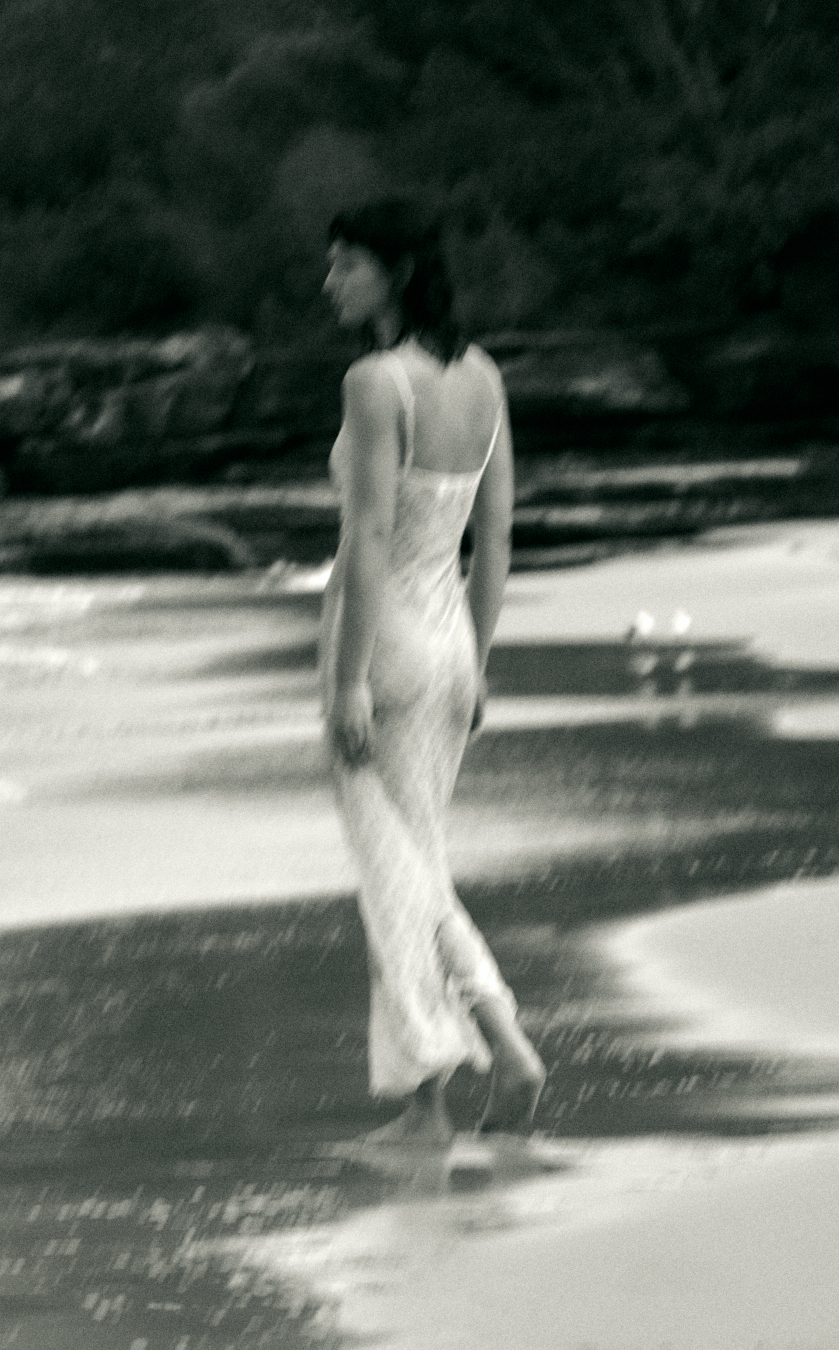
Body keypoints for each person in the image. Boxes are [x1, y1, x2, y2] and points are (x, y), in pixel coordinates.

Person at [319, 199, 545, 1148]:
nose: (330, 282)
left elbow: (370, 535)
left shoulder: (377, 381)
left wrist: (348, 681)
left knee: (398, 876)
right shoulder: (483, 376)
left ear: (399, 271)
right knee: (414, 863)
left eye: (348, 264)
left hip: (386, 646)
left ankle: (494, 1048)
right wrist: (478, 662)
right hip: (450, 641)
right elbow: (495, 535)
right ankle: (426, 1105)